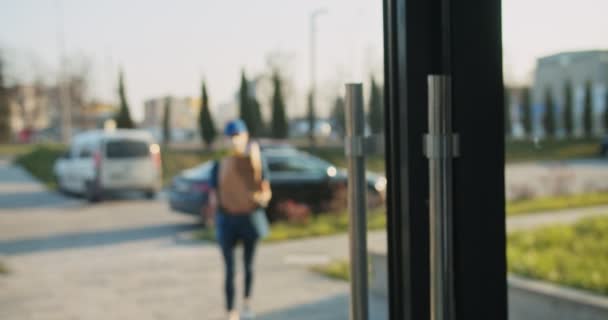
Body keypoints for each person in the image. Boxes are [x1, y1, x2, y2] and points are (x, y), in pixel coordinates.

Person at [205, 119, 271, 320]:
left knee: (249, 265)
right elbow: (214, 196)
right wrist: (213, 213)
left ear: (246, 136)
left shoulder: (256, 162)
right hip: (228, 221)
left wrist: (261, 199)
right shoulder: (219, 166)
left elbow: (265, 189)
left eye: (238, 136)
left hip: (250, 219)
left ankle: (247, 303)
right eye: (231, 137)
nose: (234, 141)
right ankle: (230, 311)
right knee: (230, 269)